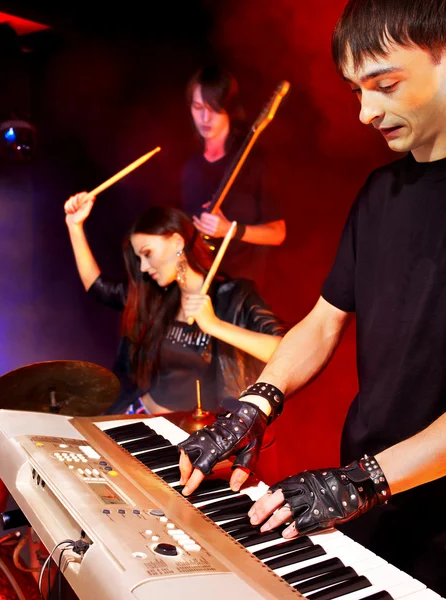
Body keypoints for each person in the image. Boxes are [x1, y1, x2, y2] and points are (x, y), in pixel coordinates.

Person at [177, 0, 446, 593]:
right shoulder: (382, 192)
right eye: (355, 91)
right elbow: (323, 323)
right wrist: (258, 402)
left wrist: (362, 480)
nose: (365, 113)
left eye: (385, 84)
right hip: (371, 499)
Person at [64, 193, 286, 417]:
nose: (143, 267)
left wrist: (215, 326)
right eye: (139, 258)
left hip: (195, 435)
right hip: (140, 415)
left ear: (178, 242)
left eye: (147, 254)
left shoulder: (234, 295)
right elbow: (100, 289)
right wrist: (75, 226)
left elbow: (285, 350)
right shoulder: (157, 298)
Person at [181, 65, 286, 291]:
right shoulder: (189, 166)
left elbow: (278, 233)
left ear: (229, 108)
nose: (204, 117)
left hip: (242, 292)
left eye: (213, 108)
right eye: (198, 107)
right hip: (198, 288)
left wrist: (229, 230)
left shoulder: (254, 160)